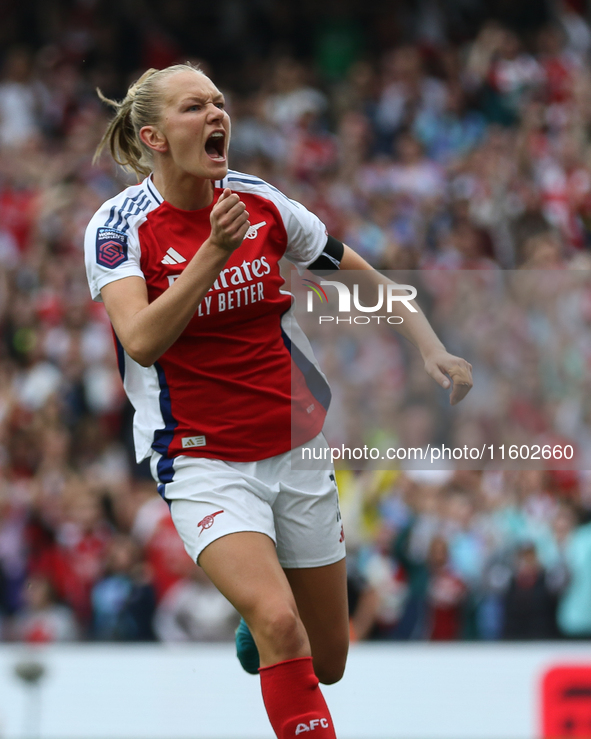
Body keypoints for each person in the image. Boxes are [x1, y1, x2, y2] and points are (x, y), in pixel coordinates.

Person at [84, 62, 473, 739]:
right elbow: (141, 339)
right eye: (192, 107)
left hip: (294, 447)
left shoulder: (260, 201)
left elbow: (347, 264)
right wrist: (213, 251)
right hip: (203, 460)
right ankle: (261, 611)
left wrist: (426, 341)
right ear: (151, 134)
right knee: (279, 621)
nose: (214, 115)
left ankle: (256, 616)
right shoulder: (118, 229)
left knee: (329, 659)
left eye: (218, 103)